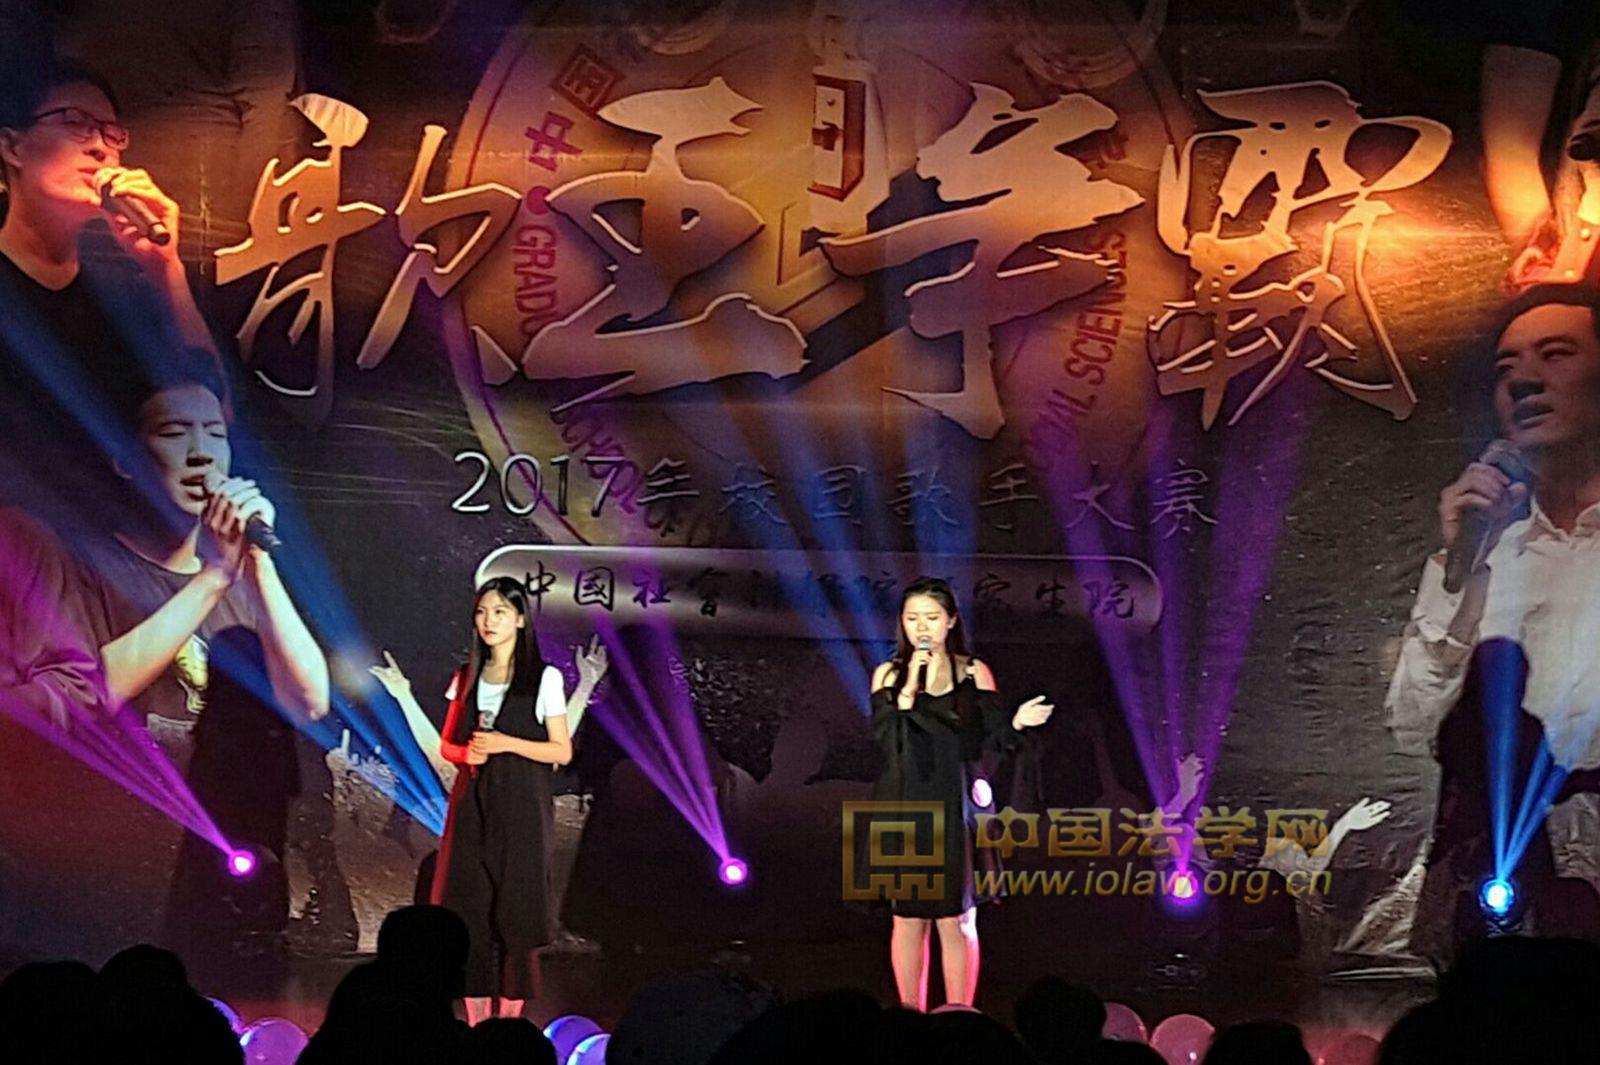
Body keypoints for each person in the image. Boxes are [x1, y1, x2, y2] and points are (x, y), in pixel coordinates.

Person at [70, 351, 328, 971]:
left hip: (215, 868)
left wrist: (256, 564)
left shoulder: (244, 579)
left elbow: (311, 700)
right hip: (111, 871)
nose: (200, 454)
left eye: (214, 434)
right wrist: (213, 576)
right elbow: (90, 691)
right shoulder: (86, 566)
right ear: (124, 457)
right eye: (173, 432)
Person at [1386, 283, 1600, 964]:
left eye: (1556, 355)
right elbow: (1413, 726)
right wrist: (1460, 564)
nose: (1524, 380)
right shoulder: (1489, 547)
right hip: (1500, 911)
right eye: (1507, 367)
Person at [0, 57, 217, 535]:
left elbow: (215, 414)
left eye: (111, 134)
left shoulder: (124, 295)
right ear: (13, 146)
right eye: (74, 122)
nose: (99, 147)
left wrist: (166, 269)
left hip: (118, 549)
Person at [864, 576, 1054, 1010]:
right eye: (912, 618)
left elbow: (993, 739)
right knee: (907, 919)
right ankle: (910, 1014)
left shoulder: (973, 672)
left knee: (957, 917)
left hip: (955, 799)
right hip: (903, 801)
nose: (922, 627)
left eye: (931, 617)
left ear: (950, 621)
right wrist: (909, 688)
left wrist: (1018, 723)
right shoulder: (889, 674)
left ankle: (959, 1014)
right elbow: (886, 738)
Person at [431, 576, 585, 1024]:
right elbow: (448, 745)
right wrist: (467, 753)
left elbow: (561, 750)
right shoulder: (466, 676)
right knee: (469, 909)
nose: (489, 621)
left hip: (522, 808)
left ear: (519, 619)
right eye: (482, 611)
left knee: (517, 911)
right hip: (472, 806)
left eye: (500, 611)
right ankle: (477, 1022)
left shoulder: (543, 678)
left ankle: (509, 1025)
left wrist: (505, 744)